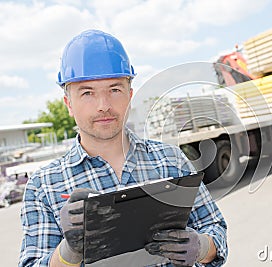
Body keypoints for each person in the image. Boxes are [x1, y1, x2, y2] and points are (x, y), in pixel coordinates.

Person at [19, 29, 228, 267]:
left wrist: (201, 246)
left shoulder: (171, 160)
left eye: (114, 89)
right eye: (87, 93)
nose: (103, 105)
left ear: (129, 95)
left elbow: (216, 229)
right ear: (69, 104)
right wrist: (68, 253)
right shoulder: (44, 186)